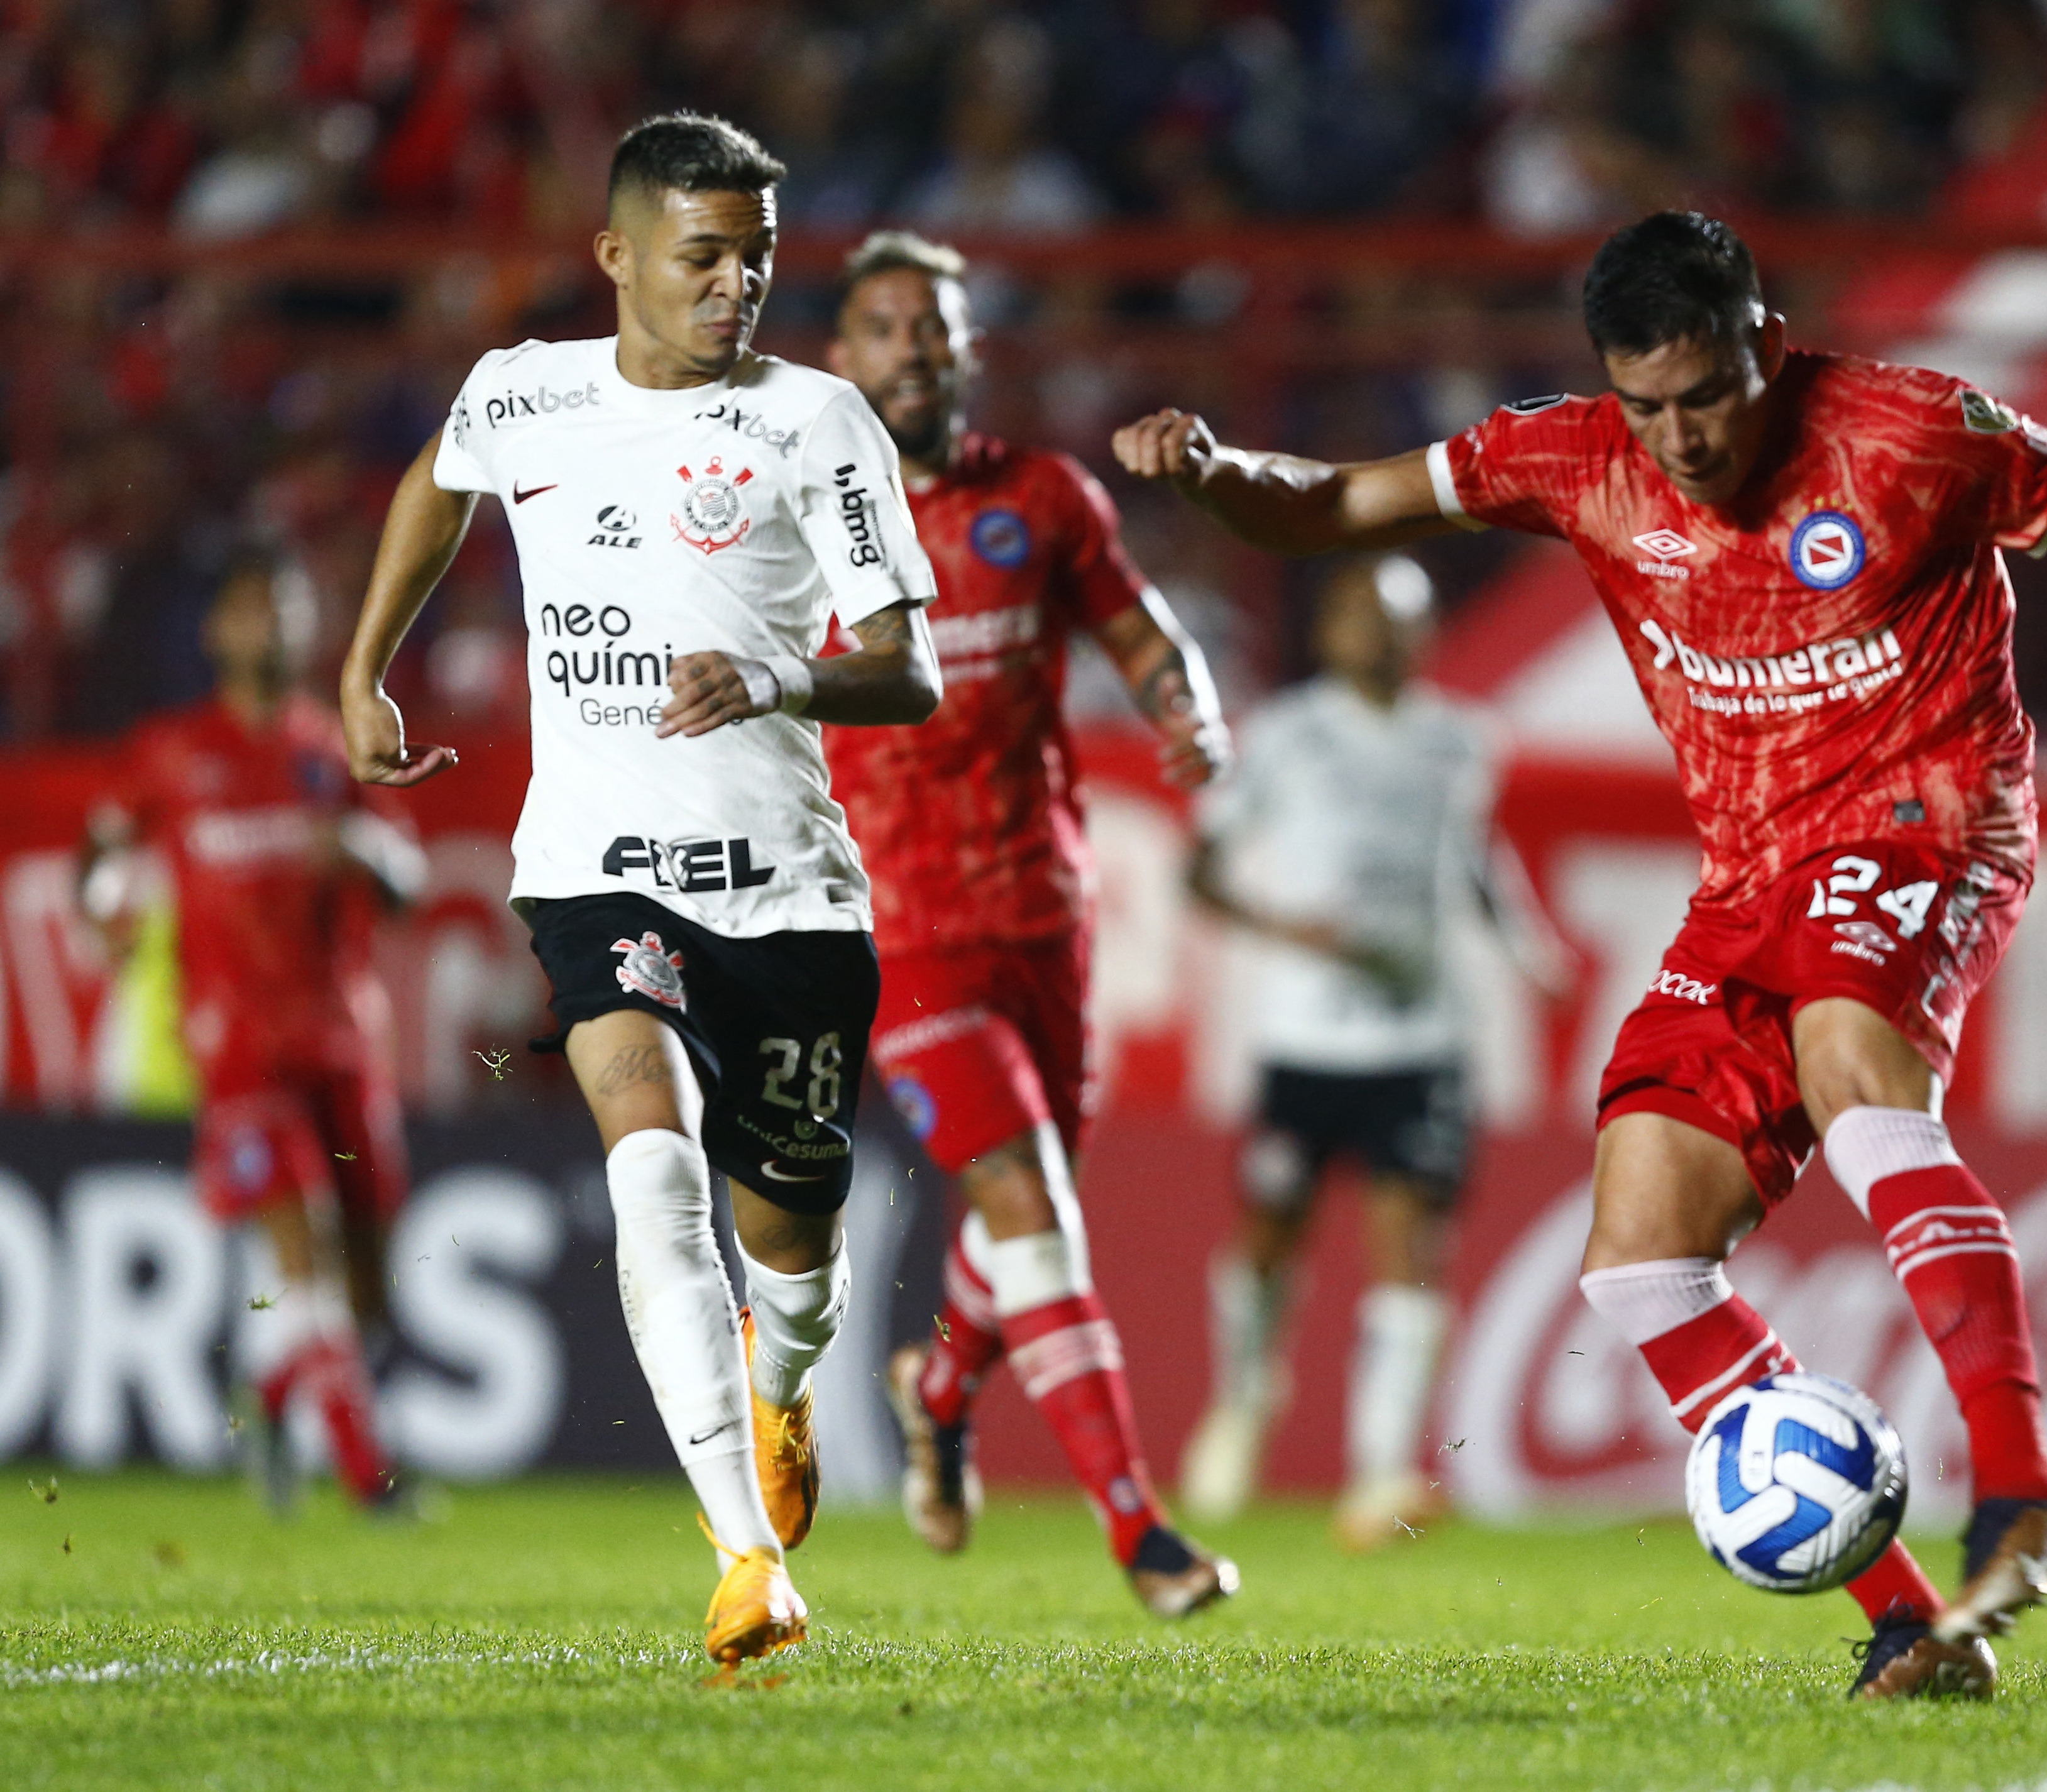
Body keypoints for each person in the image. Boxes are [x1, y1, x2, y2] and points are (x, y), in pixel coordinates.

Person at [1114, 210, 2047, 1700]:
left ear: (1769, 346)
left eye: (1707, 395)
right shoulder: (1567, 454)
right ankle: (1906, 1622)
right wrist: (1221, 475)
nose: (1677, 437)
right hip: (1747, 875)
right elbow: (1329, 509)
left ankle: (2021, 1483)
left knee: (1849, 1049)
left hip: (1928, 821)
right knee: (1639, 1257)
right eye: (1647, 403)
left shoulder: (1910, 433)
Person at [339, 114, 945, 1666]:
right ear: (616, 256)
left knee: (792, 1247)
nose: (737, 281)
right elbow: (438, 478)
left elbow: (909, 673)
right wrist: (365, 671)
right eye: (703, 255)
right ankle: (749, 1559)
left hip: (793, 895)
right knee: (647, 1155)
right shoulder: (523, 390)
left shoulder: (819, 423)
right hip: (598, 868)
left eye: (756, 253)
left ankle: (784, 1380)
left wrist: (774, 672)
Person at [823, 229, 1238, 1616]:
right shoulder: (790, 523)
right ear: (842, 355)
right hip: (902, 930)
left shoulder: (1044, 500)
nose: (911, 348)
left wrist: (1189, 707)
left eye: (932, 326)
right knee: (1026, 1202)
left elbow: (1140, 634)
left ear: (965, 349)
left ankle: (937, 1389)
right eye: (883, 326)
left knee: (1027, 1212)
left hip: (1044, 918)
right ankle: (1139, 1531)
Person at [1178, 552, 1565, 1549]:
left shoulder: (1461, 740)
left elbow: (1474, 858)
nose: (1375, 635)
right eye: (1357, 614)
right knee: (1269, 1235)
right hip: (1303, 1036)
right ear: (1327, 630)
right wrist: (1283, 928)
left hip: (1423, 1038)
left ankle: (1381, 1471)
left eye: (1396, 618)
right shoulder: (1283, 733)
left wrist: (1529, 947)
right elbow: (1202, 870)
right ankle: (1244, 1396)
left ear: (1424, 634)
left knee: (1412, 1248)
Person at [82, 554, 427, 1515]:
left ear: (309, 622)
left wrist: (362, 850)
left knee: (366, 1289)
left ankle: (274, 1395)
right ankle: (373, 1477)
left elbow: (406, 882)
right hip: (235, 1049)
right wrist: (102, 907)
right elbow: (102, 854)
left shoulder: (337, 746)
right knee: (301, 1244)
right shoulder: (173, 749)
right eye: (247, 611)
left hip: (342, 1043)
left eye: (283, 607)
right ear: (216, 633)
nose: (266, 627)